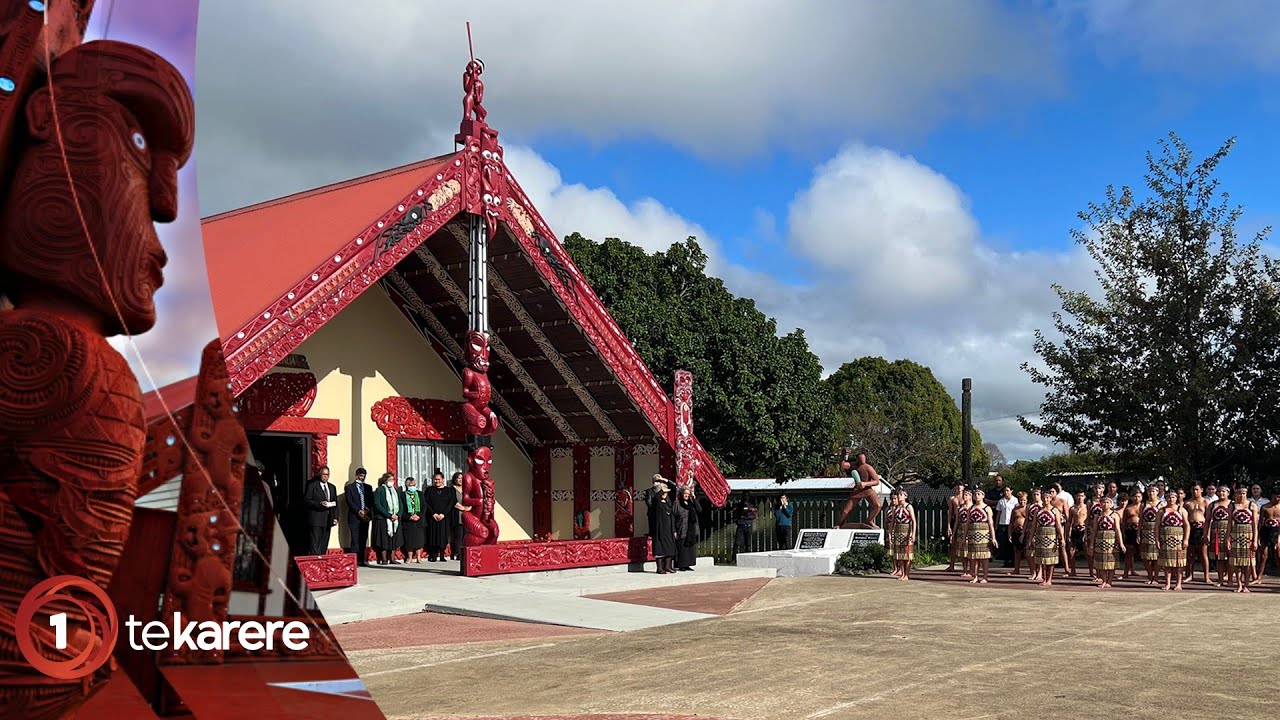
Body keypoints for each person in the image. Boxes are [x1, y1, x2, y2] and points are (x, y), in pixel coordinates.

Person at [835, 453, 883, 528]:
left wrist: (865, 484)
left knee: (878, 505)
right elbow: (842, 464)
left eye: (864, 458)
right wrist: (843, 454)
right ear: (857, 459)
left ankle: (869, 520)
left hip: (868, 490)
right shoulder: (853, 465)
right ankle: (840, 524)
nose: (863, 460)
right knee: (846, 510)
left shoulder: (868, 468)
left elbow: (876, 481)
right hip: (857, 490)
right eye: (861, 458)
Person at [646, 476, 681, 573]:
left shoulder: (668, 502)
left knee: (670, 546)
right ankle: (660, 567)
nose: (665, 494)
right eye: (664, 492)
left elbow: (676, 487)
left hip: (669, 528)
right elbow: (653, 498)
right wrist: (659, 487)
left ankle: (668, 566)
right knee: (660, 547)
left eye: (666, 492)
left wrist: (666, 480)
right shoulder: (656, 502)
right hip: (659, 528)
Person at [304, 465, 339, 555]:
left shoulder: (332, 487)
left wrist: (335, 517)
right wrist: (319, 504)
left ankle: (323, 560)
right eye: (324, 475)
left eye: (327, 475)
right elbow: (307, 501)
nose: (325, 477)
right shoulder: (312, 485)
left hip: (328, 519)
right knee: (315, 543)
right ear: (320, 474)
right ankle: (315, 562)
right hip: (316, 519)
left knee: (324, 543)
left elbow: (335, 503)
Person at [1229, 487, 1258, 593]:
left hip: (1248, 534)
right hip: (1236, 534)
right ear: (1236, 494)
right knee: (1236, 562)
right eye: (1239, 493)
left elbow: (1255, 525)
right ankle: (1239, 584)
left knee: (1248, 561)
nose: (1241, 495)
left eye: (1243, 493)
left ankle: (1246, 585)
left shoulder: (1252, 505)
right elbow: (1229, 524)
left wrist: (1255, 540)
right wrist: (1228, 538)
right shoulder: (1232, 506)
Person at [1158, 494, 1189, 591]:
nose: (1171, 499)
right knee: (1167, 562)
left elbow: (1187, 525)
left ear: (1176, 498)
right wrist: (1157, 539)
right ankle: (1167, 583)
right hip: (1165, 538)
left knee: (1179, 562)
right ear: (1166, 498)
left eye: (1173, 497)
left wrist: (1186, 539)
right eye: (1168, 497)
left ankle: (1178, 584)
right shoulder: (1161, 511)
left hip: (1179, 538)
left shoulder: (1182, 510)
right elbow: (1157, 526)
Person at [371, 472, 403, 565]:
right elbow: (377, 504)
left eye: (392, 480)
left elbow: (400, 504)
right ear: (385, 481)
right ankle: (384, 559)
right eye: (389, 480)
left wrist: (398, 514)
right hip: (383, 519)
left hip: (395, 519)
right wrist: (389, 515)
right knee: (384, 539)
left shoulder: (396, 491)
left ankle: (392, 558)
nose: (391, 482)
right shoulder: (380, 490)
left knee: (394, 539)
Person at [1092, 497, 1124, 589]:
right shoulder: (1097, 516)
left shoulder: (1115, 515)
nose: (1105, 504)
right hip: (1100, 540)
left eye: (1107, 502)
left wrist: (1121, 543)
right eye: (1103, 502)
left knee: (1111, 562)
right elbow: (1094, 530)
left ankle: (1109, 581)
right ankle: (1104, 580)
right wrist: (1091, 544)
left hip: (1112, 540)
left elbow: (1118, 530)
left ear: (1111, 504)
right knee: (1102, 562)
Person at [344, 467, 373, 566]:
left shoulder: (368, 488)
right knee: (355, 538)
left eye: (364, 476)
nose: (362, 478)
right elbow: (349, 501)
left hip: (365, 516)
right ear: (356, 475)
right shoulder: (349, 488)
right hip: (354, 517)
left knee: (363, 538)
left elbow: (370, 501)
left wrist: (366, 511)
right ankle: (354, 560)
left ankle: (362, 559)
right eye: (360, 476)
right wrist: (358, 511)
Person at [1033, 498, 1065, 587]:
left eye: (1047, 497)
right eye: (1044, 497)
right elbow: (1034, 525)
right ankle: (1044, 578)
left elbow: (1058, 525)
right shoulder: (1038, 511)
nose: (1045, 499)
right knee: (1042, 558)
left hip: (1051, 535)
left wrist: (1062, 538)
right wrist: (1031, 538)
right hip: (1040, 535)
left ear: (1050, 499)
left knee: (1051, 558)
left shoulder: (1055, 510)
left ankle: (1049, 579)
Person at [424, 471, 455, 562]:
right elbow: (426, 503)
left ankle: (442, 555)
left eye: (439, 479)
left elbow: (451, 503)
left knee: (443, 535)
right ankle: (433, 555)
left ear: (443, 480)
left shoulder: (449, 490)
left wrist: (443, 514)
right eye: (435, 479)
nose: (437, 481)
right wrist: (433, 513)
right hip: (432, 517)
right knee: (433, 535)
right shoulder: (429, 490)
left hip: (444, 517)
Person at [968, 489, 996, 584]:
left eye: (979, 494)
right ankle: (975, 576)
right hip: (973, 535)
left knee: (984, 557)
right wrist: (964, 537)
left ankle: (985, 576)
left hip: (984, 535)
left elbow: (991, 523)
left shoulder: (987, 508)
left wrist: (993, 537)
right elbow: (968, 523)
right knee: (974, 557)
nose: (976, 496)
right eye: (975, 494)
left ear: (983, 496)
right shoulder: (971, 508)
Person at [1183, 484, 1209, 584]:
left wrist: (1207, 533)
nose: (1195, 492)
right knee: (1190, 554)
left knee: (1203, 554)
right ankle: (1189, 575)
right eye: (1193, 490)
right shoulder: (1187, 503)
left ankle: (1206, 576)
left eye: (1197, 490)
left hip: (1201, 527)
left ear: (1201, 490)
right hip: (1191, 528)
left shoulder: (1205, 502)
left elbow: (1208, 518)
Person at [887, 490, 915, 582]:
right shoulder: (895, 508)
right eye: (898, 495)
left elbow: (913, 521)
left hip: (907, 532)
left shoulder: (909, 507)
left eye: (901, 495)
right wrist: (890, 534)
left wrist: (913, 533)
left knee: (907, 554)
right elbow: (892, 523)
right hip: (898, 532)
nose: (899, 496)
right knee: (899, 555)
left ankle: (907, 574)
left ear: (906, 496)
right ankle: (902, 573)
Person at [1208, 485, 1233, 586]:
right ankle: (1220, 579)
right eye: (1219, 491)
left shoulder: (1233, 504)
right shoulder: (1212, 504)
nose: (1221, 493)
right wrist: (1207, 534)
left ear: (1228, 493)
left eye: (1223, 491)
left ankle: (1230, 579)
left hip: (1229, 529)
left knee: (1230, 556)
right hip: (1216, 530)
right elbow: (1207, 520)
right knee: (1219, 557)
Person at [1139, 486, 1161, 585]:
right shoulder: (1143, 504)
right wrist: (1138, 533)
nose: (1151, 493)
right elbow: (1140, 520)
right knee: (1146, 556)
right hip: (1145, 531)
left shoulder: (1161, 504)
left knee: (1156, 556)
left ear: (1157, 492)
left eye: (1153, 491)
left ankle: (1156, 577)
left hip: (1156, 530)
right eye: (1149, 491)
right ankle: (1150, 576)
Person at [400, 477, 426, 563]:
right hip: (408, 521)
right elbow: (401, 508)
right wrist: (409, 517)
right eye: (410, 485)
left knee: (419, 540)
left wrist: (419, 515)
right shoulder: (402, 495)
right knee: (409, 540)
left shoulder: (420, 494)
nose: (412, 486)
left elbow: (424, 507)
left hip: (419, 520)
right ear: (406, 486)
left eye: (413, 485)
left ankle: (418, 557)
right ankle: (409, 557)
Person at [1258, 490, 1280, 584]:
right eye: (1277, 496)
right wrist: (1258, 536)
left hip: (1277, 531)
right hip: (1266, 530)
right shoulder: (1265, 507)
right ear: (1273, 496)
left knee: (1278, 554)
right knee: (1263, 555)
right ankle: (1259, 577)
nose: (1278, 498)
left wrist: (1279, 538)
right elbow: (1260, 523)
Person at [677, 485, 701, 571]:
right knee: (682, 548)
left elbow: (699, 509)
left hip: (691, 530)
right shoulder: (678, 503)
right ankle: (682, 565)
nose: (687, 495)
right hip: (682, 528)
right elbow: (674, 515)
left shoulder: (691, 503)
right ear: (682, 494)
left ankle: (688, 564)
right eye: (685, 493)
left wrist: (694, 498)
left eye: (688, 493)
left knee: (690, 548)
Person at [995, 486, 1018, 567]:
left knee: (1011, 543)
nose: (1006, 492)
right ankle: (1006, 561)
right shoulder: (1001, 501)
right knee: (1004, 543)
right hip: (1003, 523)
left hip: (1011, 524)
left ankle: (1013, 561)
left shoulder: (1015, 500)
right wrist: (996, 525)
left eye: (1008, 490)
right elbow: (998, 513)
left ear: (1011, 491)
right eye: (1005, 491)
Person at [1067, 491, 1089, 578]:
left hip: (1083, 529)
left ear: (1084, 497)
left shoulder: (1087, 507)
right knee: (1071, 551)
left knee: (1087, 551)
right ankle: (1073, 570)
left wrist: (1087, 533)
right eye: (1078, 496)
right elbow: (1069, 521)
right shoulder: (1072, 508)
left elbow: (1088, 521)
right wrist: (1068, 533)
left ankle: (1091, 571)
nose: (1080, 498)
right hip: (1075, 530)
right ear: (1076, 497)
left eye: (1082, 496)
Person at [1024, 488, 1045, 582]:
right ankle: (1033, 572)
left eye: (1037, 494)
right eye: (1034, 494)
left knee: (1039, 552)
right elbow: (1027, 519)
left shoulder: (1043, 505)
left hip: (1040, 530)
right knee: (1029, 552)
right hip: (1029, 529)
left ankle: (1040, 572)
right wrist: (1023, 532)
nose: (1035, 496)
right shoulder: (1029, 506)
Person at [1121, 490, 1142, 579]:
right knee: (1129, 553)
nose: (1136, 498)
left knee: (1144, 553)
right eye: (1135, 496)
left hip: (1141, 530)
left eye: (1138, 496)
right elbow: (1124, 522)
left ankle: (1151, 575)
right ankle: (1126, 573)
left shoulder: (1144, 507)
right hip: (1130, 531)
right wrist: (1123, 533)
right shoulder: (1128, 508)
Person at [953, 490, 974, 578]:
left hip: (970, 530)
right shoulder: (960, 507)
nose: (964, 496)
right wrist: (954, 533)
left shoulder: (972, 507)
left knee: (970, 551)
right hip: (961, 529)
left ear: (970, 496)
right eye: (963, 495)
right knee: (962, 552)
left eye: (966, 495)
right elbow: (957, 521)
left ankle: (971, 570)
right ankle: (965, 570)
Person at [945, 483, 965, 572]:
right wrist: (949, 525)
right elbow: (950, 512)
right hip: (954, 520)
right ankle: (951, 565)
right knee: (953, 544)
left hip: (964, 521)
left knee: (965, 544)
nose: (958, 489)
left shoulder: (967, 497)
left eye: (960, 487)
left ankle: (966, 567)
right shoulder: (952, 499)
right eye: (957, 487)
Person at [1008, 491, 1029, 576]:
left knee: (1027, 552)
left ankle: (1033, 570)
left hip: (1025, 531)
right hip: (1016, 531)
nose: (1022, 502)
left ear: (1026, 500)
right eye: (1020, 500)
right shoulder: (1015, 510)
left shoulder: (1028, 509)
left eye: (1024, 500)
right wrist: (1009, 533)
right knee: (1017, 551)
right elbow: (1011, 522)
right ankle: (1016, 569)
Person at [732, 492, 757, 558]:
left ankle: (747, 558)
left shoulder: (751, 505)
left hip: (748, 526)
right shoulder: (740, 505)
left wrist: (746, 515)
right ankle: (734, 559)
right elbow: (739, 513)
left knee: (748, 544)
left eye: (747, 496)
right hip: (740, 526)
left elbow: (753, 516)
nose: (746, 497)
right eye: (744, 496)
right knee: (737, 543)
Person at [450, 472, 468, 561]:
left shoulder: (466, 489)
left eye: (461, 478)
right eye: (458, 478)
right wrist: (464, 508)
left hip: (467, 515)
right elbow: (453, 502)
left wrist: (469, 508)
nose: (460, 480)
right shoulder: (452, 489)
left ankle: (465, 552)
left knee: (466, 535)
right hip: (457, 515)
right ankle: (458, 553)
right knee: (458, 535)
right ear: (455, 479)